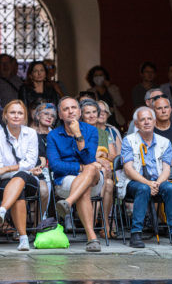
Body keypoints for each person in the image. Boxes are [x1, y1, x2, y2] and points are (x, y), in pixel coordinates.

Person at [121, 106, 172, 248]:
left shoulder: (165, 142)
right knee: (143, 188)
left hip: (158, 181)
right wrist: (148, 183)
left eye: (149, 119)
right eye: (142, 120)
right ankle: (136, 234)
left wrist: (156, 183)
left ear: (154, 122)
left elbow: (166, 169)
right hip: (134, 182)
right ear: (136, 125)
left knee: (170, 187)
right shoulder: (128, 140)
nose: (147, 122)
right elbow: (128, 169)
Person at [47, 96, 104, 252]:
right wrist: (80, 168)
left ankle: (68, 203)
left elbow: (89, 158)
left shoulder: (91, 130)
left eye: (73, 108)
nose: (70, 111)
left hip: (94, 181)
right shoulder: (53, 135)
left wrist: (78, 134)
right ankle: (92, 238)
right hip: (65, 181)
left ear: (79, 112)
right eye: (65, 109)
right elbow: (55, 165)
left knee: (92, 169)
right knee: (85, 180)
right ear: (60, 115)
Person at [0, 100, 41, 251]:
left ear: (24, 117)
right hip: (0, 182)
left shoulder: (31, 133)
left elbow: (31, 162)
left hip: (28, 181)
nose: (16, 116)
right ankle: (23, 239)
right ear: (5, 115)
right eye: (12, 112)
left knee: (21, 177)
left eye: (20, 113)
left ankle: (2, 210)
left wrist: (8, 168)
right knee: (20, 188)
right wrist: (15, 169)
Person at [79, 99, 115, 238]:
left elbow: (114, 156)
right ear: (82, 115)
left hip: (106, 173)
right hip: (86, 172)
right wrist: (98, 158)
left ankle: (103, 223)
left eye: (94, 112)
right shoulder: (79, 132)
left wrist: (103, 154)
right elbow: (81, 154)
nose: (92, 115)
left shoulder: (104, 133)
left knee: (110, 184)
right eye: (88, 113)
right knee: (103, 173)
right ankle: (96, 224)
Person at [31, 103, 57, 216]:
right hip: (37, 168)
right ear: (37, 116)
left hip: (55, 168)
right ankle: (42, 216)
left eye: (52, 116)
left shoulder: (56, 134)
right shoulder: (30, 133)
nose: (49, 117)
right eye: (46, 114)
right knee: (46, 177)